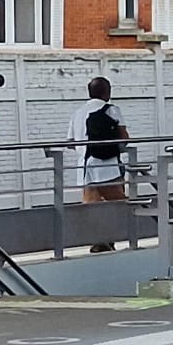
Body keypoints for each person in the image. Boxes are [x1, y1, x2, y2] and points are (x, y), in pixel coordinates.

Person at [64, 76, 131, 252]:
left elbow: (70, 142)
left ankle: (99, 241)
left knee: (92, 205)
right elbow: (124, 137)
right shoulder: (112, 110)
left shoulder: (77, 113)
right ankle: (123, 235)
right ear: (107, 92)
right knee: (118, 202)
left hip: (85, 167)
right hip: (108, 165)